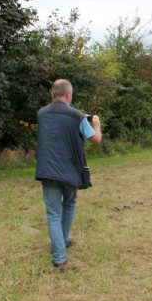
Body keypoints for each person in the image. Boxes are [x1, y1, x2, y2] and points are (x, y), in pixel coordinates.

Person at [35, 79, 102, 268]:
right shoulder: (77, 116)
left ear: (53, 94)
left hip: (47, 170)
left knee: (53, 213)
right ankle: (59, 254)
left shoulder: (41, 115)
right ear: (68, 94)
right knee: (69, 204)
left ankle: (61, 249)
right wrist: (95, 123)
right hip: (71, 171)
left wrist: (81, 118)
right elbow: (96, 139)